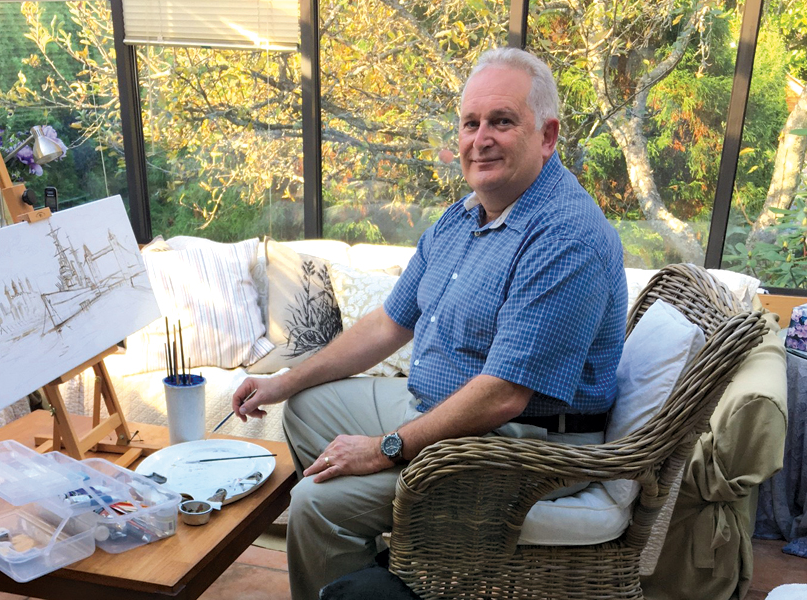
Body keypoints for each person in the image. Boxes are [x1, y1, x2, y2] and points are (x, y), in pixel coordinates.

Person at [232, 47, 628, 600]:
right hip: (441, 406)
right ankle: (378, 577)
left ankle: (361, 570)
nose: (480, 139)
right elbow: (389, 325)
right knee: (304, 407)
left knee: (316, 504)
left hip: (525, 445)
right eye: (471, 123)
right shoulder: (464, 217)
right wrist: (283, 381)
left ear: (548, 135)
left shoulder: (565, 235)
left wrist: (383, 448)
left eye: (502, 121)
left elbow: (504, 397)